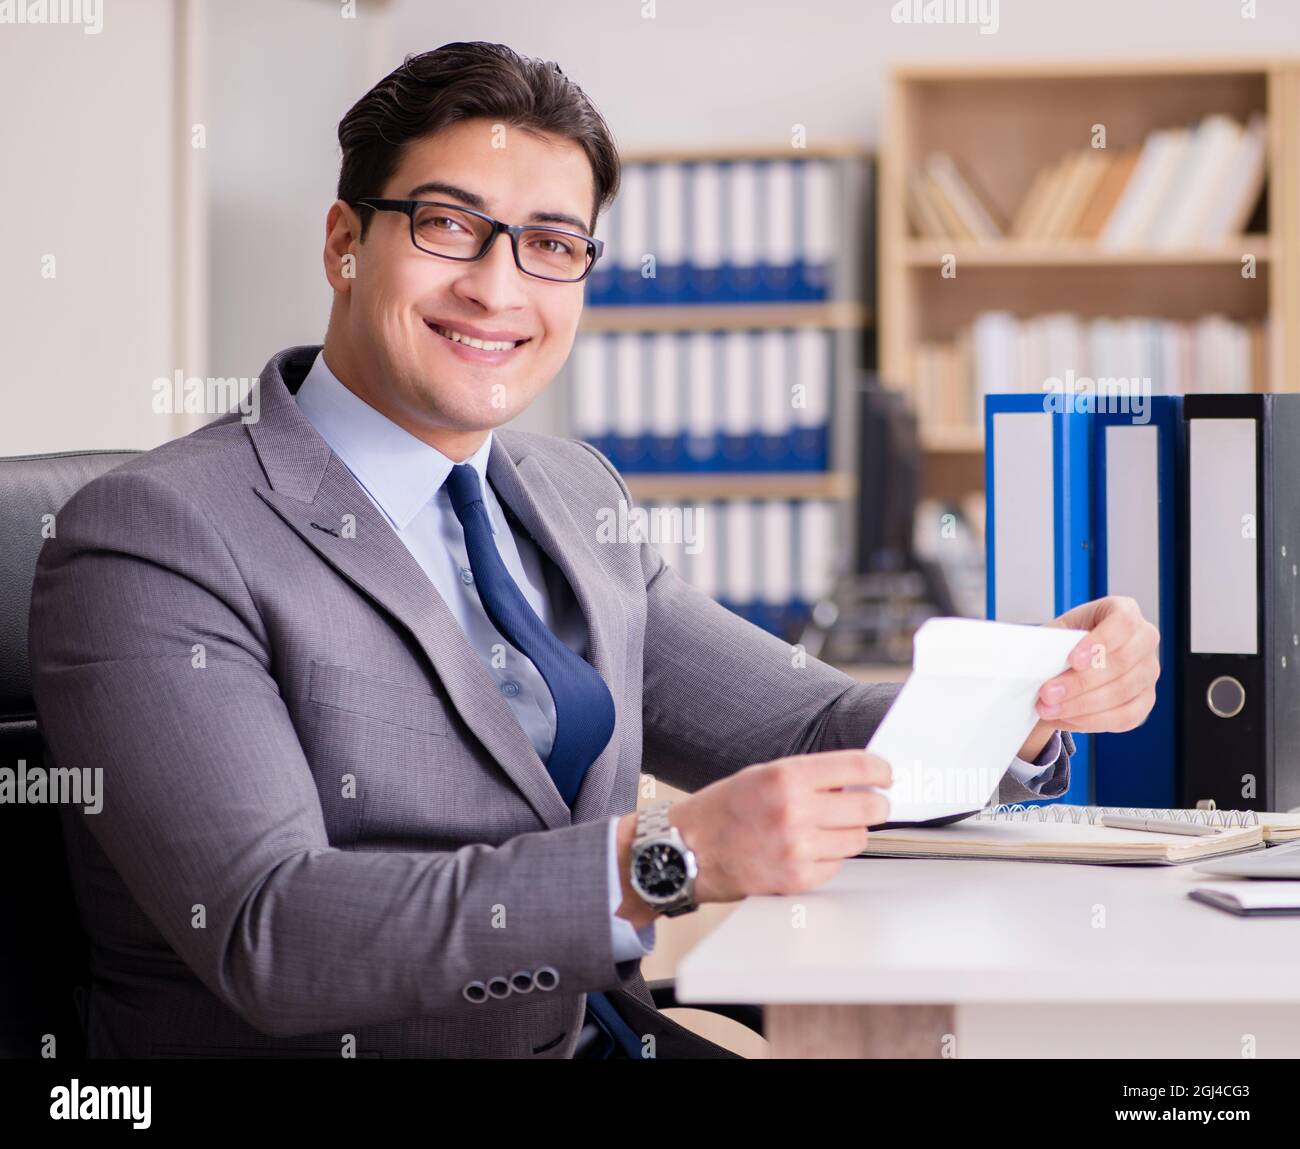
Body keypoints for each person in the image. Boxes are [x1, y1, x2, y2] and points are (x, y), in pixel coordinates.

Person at [28, 41, 1159, 1060]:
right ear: (344, 242)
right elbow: (271, 930)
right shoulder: (160, 534)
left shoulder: (569, 493)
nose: (496, 285)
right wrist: (657, 861)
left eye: (550, 244)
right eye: (447, 224)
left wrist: (1023, 697)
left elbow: (810, 728)